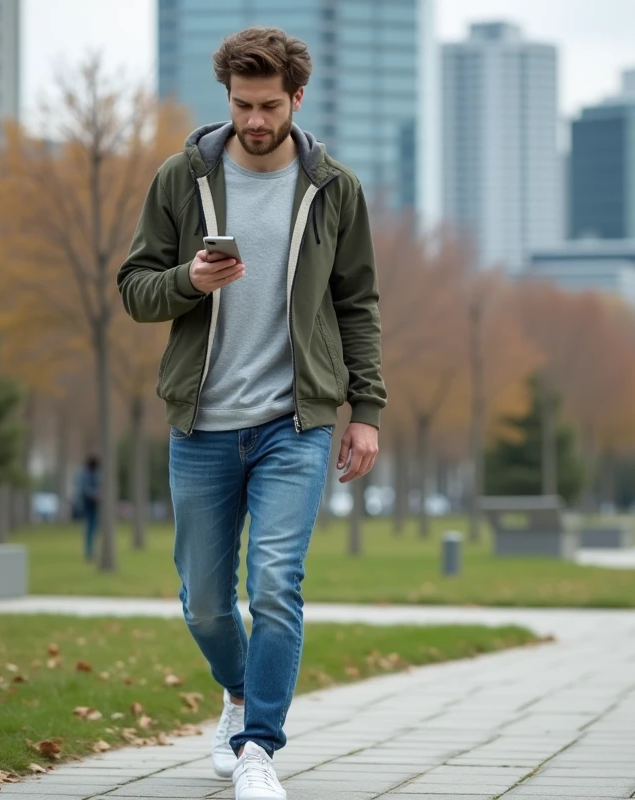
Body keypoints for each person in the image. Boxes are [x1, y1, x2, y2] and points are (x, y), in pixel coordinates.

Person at [116, 26, 386, 800]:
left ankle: (259, 746)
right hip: (202, 423)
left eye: (269, 105)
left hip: (294, 424)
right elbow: (134, 289)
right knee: (204, 601)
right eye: (242, 105)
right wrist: (189, 282)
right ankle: (237, 693)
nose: (255, 120)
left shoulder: (334, 188)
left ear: (297, 98)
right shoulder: (182, 179)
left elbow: (358, 304)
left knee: (274, 583)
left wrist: (365, 408)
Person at [76, 455, 100, 563]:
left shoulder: (96, 472)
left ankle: (93, 552)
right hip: (88, 504)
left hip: (96, 505)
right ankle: (89, 553)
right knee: (90, 530)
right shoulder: (84, 473)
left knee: (94, 530)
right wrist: (94, 494)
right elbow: (83, 489)